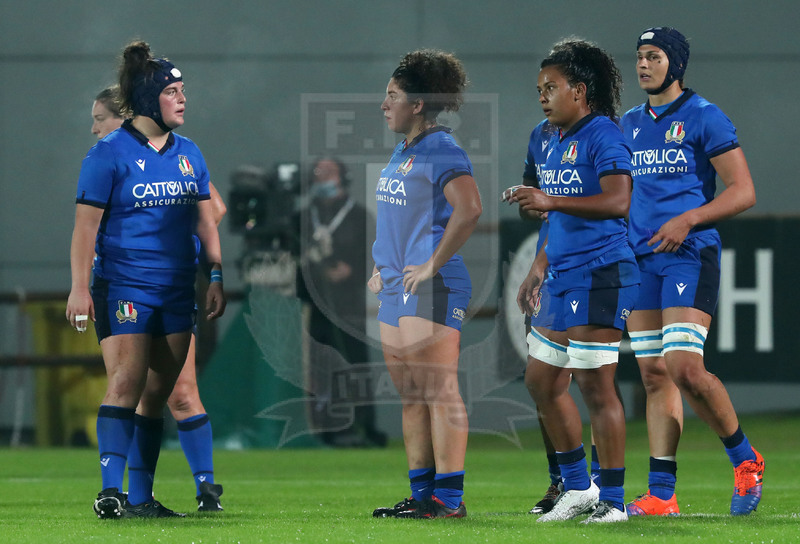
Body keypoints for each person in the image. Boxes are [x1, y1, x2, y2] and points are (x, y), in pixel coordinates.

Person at [66, 41, 226, 519]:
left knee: (161, 393)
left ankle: (144, 497)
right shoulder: (108, 153)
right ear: (150, 96)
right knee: (127, 382)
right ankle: (111, 492)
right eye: (173, 91)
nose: (182, 99)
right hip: (126, 285)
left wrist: (215, 272)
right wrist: (78, 286)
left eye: (183, 91)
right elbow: (85, 228)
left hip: (177, 288)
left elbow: (206, 220)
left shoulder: (189, 153)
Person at [621, 27, 762, 517]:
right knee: (654, 374)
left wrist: (689, 218)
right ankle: (662, 494)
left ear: (675, 64)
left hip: (689, 253)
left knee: (684, 368)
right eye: (639, 57)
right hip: (641, 260)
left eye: (653, 56)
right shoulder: (629, 123)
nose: (643, 65)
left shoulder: (704, 117)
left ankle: (746, 460)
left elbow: (743, 190)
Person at [506, 39, 638, 523]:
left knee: (596, 387)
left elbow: (617, 200)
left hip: (602, 271)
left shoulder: (604, 133)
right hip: (560, 274)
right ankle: (578, 487)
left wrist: (551, 202)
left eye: (552, 87)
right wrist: (537, 267)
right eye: (539, 88)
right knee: (541, 381)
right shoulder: (543, 137)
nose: (543, 96)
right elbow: (548, 211)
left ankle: (614, 501)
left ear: (580, 91)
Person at [369, 49, 482, 519]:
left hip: (433, 283)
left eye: (392, 96)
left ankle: (448, 500)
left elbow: (470, 209)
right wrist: (383, 266)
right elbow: (402, 217)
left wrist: (433, 265)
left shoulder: (441, 147)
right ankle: (421, 497)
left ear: (417, 104)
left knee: (439, 389)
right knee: (411, 392)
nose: (384, 104)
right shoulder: (405, 149)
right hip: (396, 285)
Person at [299, 157, 387, 448]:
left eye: (328, 172)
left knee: (354, 364)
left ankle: (364, 425)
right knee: (320, 368)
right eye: (317, 172)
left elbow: (372, 256)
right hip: (314, 305)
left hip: (349, 305)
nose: (321, 177)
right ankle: (327, 427)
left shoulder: (360, 216)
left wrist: (351, 271)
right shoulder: (304, 217)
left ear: (343, 177)